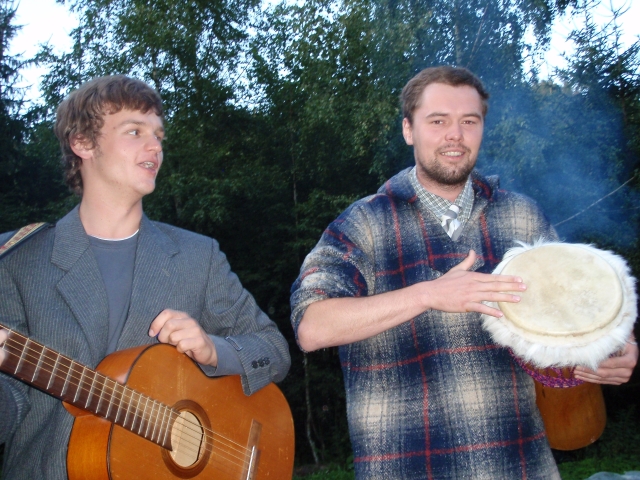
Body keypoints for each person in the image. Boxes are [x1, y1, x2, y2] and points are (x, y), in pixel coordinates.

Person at [290, 66, 638, 479]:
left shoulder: (523, 216)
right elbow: (312, 327)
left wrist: (619, 345)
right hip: (406, 468)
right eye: (438, 121)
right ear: (408, 130)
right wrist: (428, 294)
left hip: (519, 465)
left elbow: (580, 305)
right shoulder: (363, 223)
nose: (455, 135)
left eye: (469, 121)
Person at [0, 75, 290, 480]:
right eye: (135, 132)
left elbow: (274, 351)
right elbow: (11, 402)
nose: (155, 146)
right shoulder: (17, 261)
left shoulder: (197, 256)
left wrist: (215, 350)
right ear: (82, 143)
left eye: (158, 135)